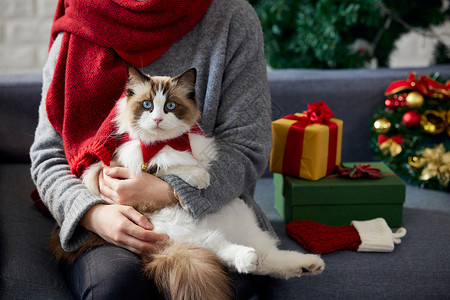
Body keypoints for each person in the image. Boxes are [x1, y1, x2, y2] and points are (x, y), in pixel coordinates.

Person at [30, 0, 273, 298]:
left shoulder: (231, 18)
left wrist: (170, 192)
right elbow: (47, 157)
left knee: (232, 277)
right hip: (105, 222)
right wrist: (93, 215)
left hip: (211, 212)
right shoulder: (79, 21)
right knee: (115, 286)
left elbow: (248, 147)